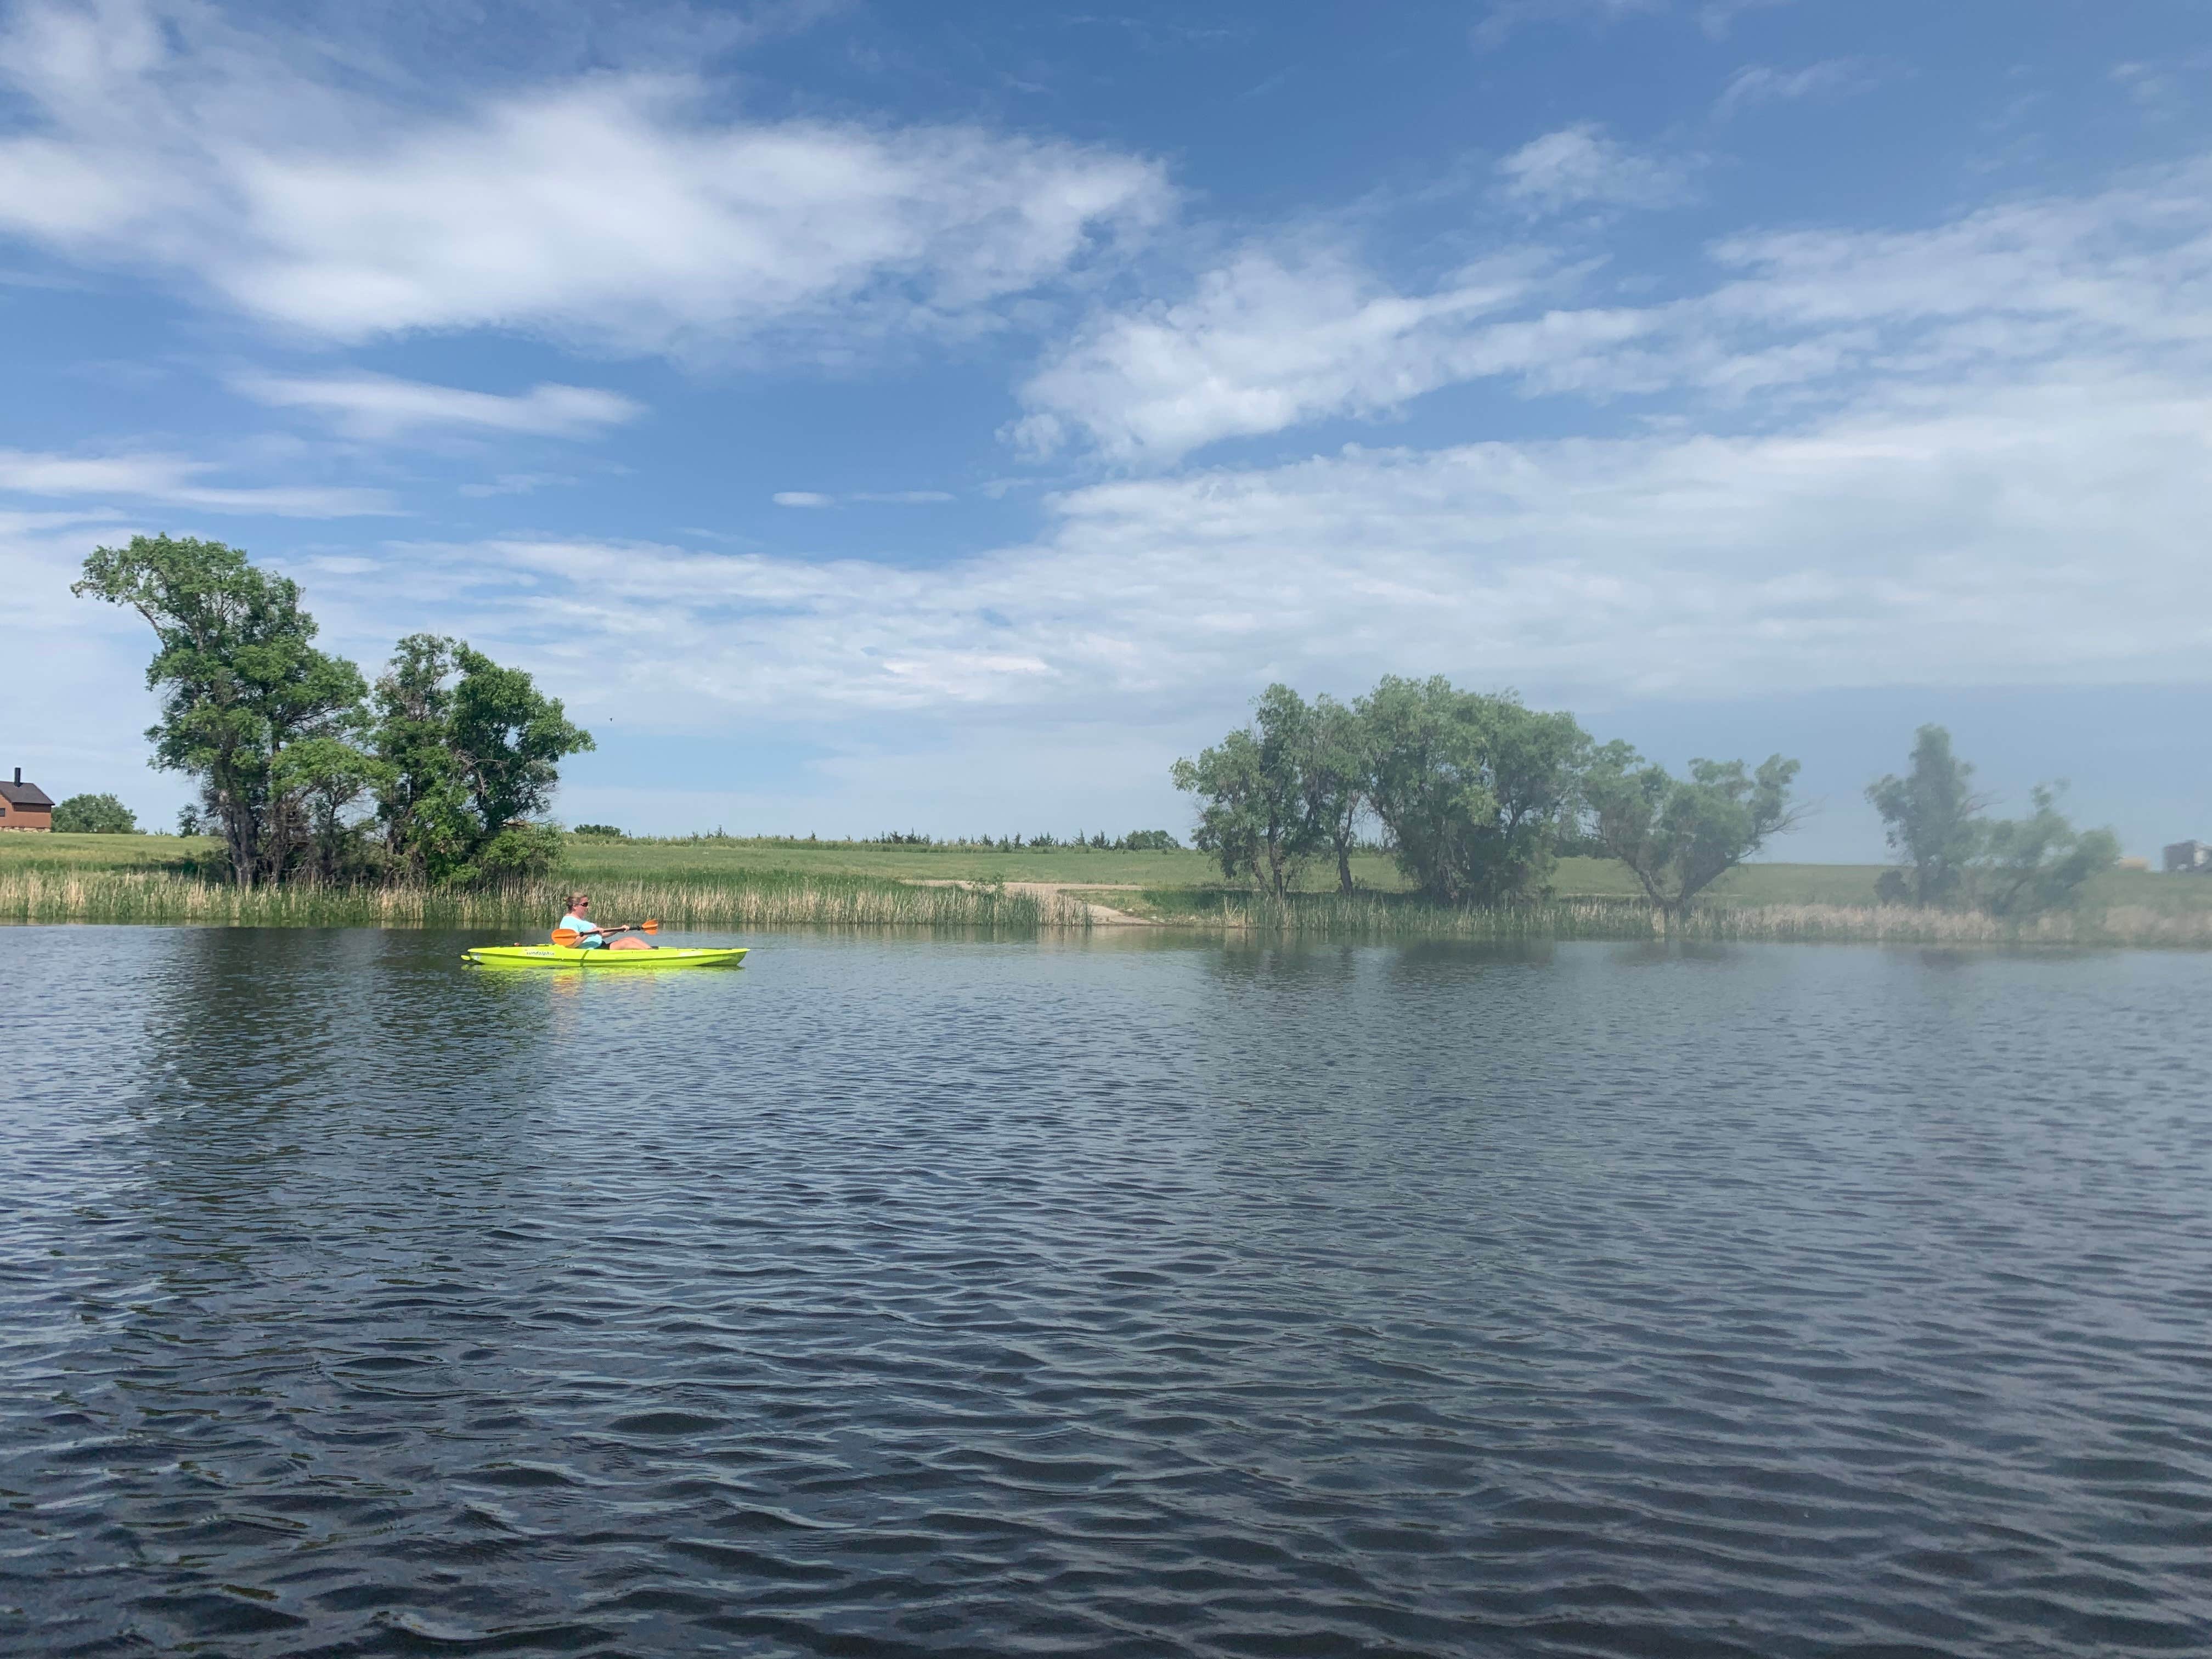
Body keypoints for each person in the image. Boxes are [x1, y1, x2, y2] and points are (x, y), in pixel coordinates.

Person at [557, 893, 651, 950]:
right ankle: (652, 957)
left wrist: (619, 929)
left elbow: (601, 934)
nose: (588, 907)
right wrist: (589, 933)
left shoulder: (582, 921)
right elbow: (572, 945)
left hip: (600, 946)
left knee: (631, 939)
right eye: (585, 904)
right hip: (592, 950)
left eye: (588, 904)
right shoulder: (568, 921)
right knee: (625, 943)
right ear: (575, 906)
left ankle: (651, 952)